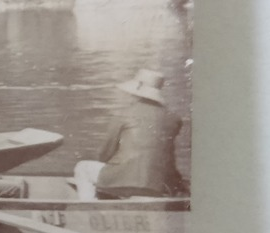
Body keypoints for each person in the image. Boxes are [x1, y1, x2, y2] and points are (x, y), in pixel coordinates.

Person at [75, 69, 188, 200]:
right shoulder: (174, 119)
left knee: (82, 168)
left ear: (135, 94)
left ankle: (89, 208)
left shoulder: (122, 114)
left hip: (121, 180)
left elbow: (104, 154)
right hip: (157, 185)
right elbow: (168, 159)